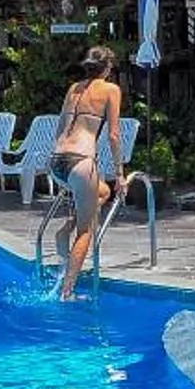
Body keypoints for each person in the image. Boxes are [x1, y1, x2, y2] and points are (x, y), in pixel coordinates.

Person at [51, 45, 126, 300]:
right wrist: (119, 173)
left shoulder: (73, 88)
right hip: (82, 162)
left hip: (57, 162)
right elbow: (114, 135)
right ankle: (67, 292)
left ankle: (65, 232)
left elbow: (60, 127)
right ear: (107, 68)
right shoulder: (111, 90)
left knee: (101, 193)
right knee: (86, 231)